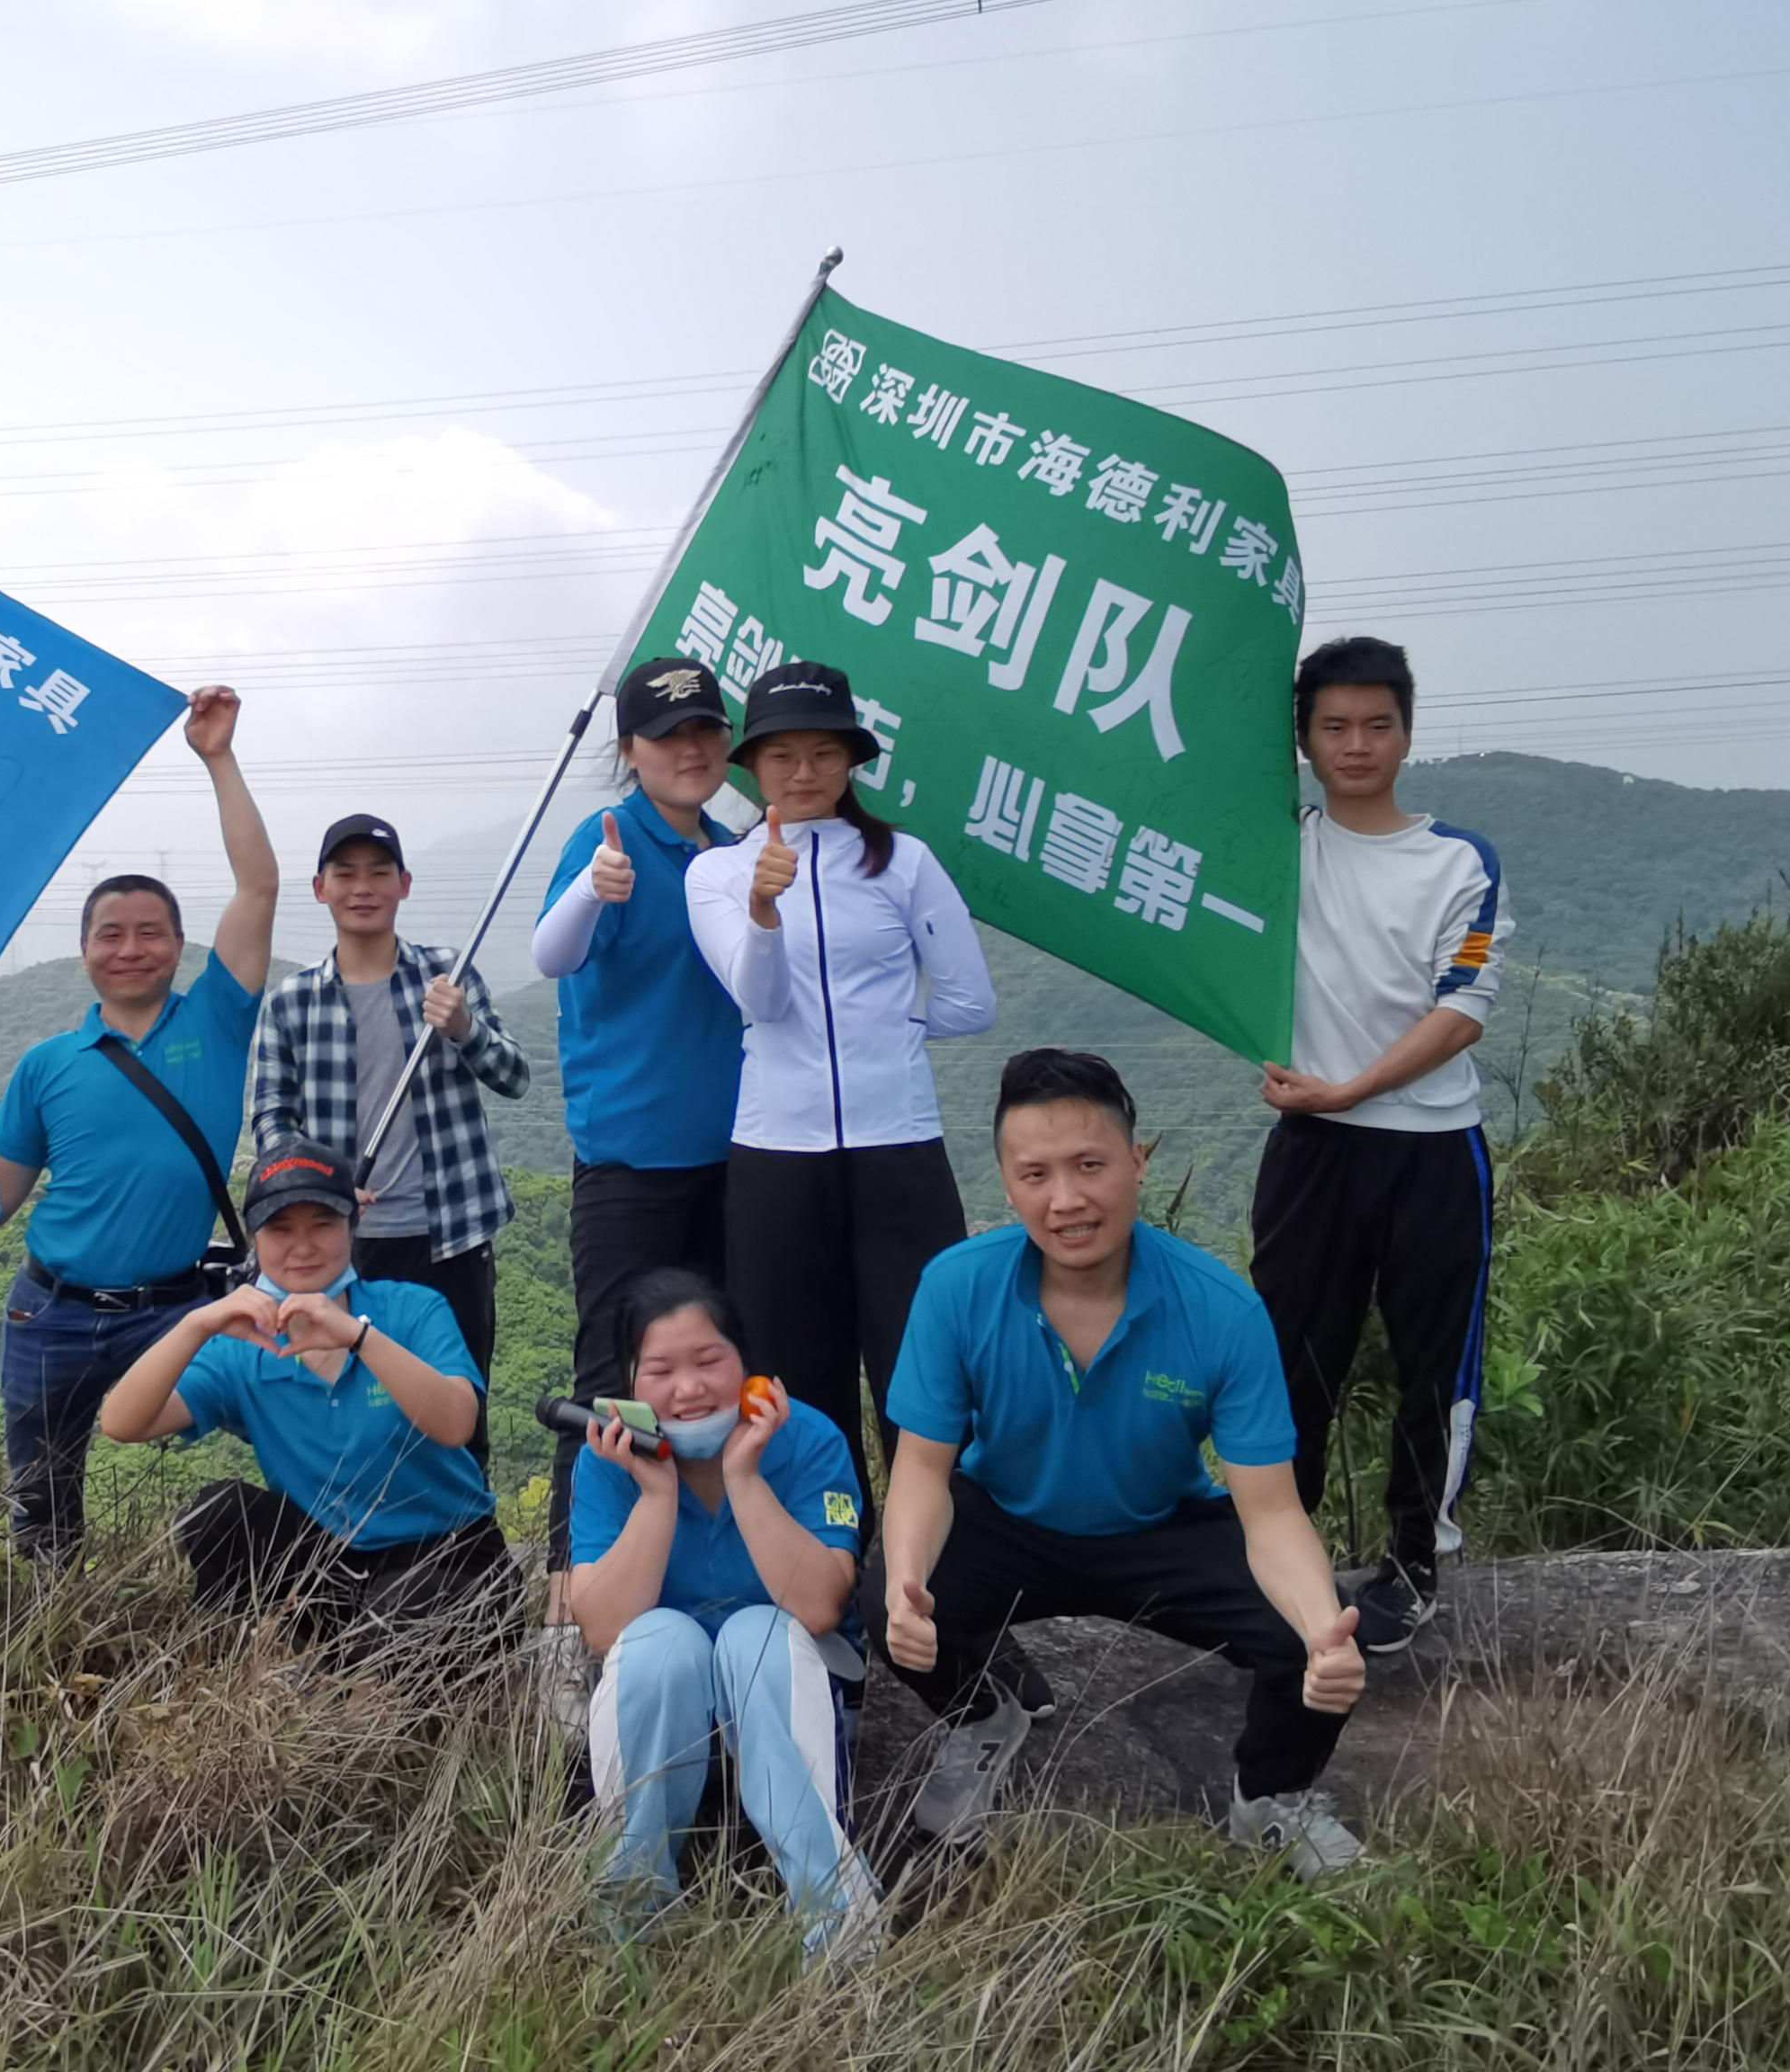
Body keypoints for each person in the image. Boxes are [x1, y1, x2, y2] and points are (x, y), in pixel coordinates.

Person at [881, 1049, 1370, 1880]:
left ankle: (1269, 1799)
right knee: (885, 1600)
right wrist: (905, 1582)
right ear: (1007, 1185)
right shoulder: (957, 1288)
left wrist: (1325, 1627)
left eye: (1090, 1165)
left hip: (1160, 1526)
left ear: (1138, 1163)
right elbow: (922, 1474)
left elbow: (1272, 1512)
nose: (1066, 1200)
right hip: (1009, 1519)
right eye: (1036, 1174)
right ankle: (983, 1718)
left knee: (1310, 1633)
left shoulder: (1220, 1311)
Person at [684, 660, 996, 1519]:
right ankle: (827, 1563)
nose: (804, 772)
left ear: (853, 760)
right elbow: (761, 1000)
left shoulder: (903, 861)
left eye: (825, 753)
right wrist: (763, 912)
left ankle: (934, 1565)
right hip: (775, 1158)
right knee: (790, 1375)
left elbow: (971, 1002)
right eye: (781, 755)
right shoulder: (718, 874)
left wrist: (889, 1033)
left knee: (925, 1370)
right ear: (752, 766)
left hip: (900, 1150)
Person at [1252, 636, 1511, 1652]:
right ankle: (1281, 1560)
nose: (1356, 745)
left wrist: (1352, 1087)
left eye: (1377, 725)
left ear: (1406, 733)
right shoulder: (1280, 846)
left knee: (1433, 1366)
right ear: (1304, 740)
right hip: (1311, 1151)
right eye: (1334, 726)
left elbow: (1463, 1010)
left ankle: (1413, 1562)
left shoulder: (1460, 862)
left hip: (1432, 1149)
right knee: (1289, 1361)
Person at [0, 684, 278, 1561]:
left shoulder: (217, 1019)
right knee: (41, 1504)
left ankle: (291, 1579)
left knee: (288, 1413)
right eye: (110, 933)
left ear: (181, 946)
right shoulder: (46, 1063)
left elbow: (258, 886)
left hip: (177, 1311)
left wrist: (218, 758)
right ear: (84, 951)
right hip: (50, 1312)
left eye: (151, 932)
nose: (131, 947)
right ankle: (51, 1628)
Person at [568, 1269, 882, 1968]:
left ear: (747, 1364)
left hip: (789, 1687)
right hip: (667, 1710)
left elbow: (819, 1605)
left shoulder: (808, 1440)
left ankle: (837, 1923)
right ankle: (630, 1909)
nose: (688, 1389)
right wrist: (656, 1496)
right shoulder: (610, 1462)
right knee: (659, 1639)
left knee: (755, 1634)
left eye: (709, 1361)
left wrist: (744, 1475)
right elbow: (604, 1628)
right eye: (660, 1371)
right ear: (628, 1383)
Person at [96, 1134, 511, 1657]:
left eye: (323, 1224)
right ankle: (263, 1658)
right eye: (280, 1229)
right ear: (255, 1238)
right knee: (218, 1513)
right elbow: (121, 1422)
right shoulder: (243, 1347)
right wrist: (196, 1325)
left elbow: (456, 1424)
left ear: (352, 1226)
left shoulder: (412, 1309)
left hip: (448, 1555)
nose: (303, 1246)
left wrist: (359, 1337)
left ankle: (349, 1671)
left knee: (403, 1612)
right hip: (330, 1561)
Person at [530, 656, 743, 1591]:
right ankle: (569, 1604)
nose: (688, 749)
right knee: (614, 1386)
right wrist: (593, 887)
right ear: (630, 750)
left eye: (705, 730)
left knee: (717, 1380)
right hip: (629, 1169)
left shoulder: (729, 851)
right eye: (665, 735)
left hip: (737, 1165)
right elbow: (551, 953)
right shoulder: (607, 838)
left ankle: (708, 1573)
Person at [246, 811, 529, 1407]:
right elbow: (271, 1117)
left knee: (458, 1401)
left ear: (404, 884)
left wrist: (463, 1027)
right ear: (320, 888)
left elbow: (514, 1077)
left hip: (451, 1232)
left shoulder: (447, 974)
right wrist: (317, 1181)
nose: (363, 888)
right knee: (349, 1404)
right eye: (345, 874)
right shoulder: (291, 1002)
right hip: (343, 1241)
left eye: (379, 872)